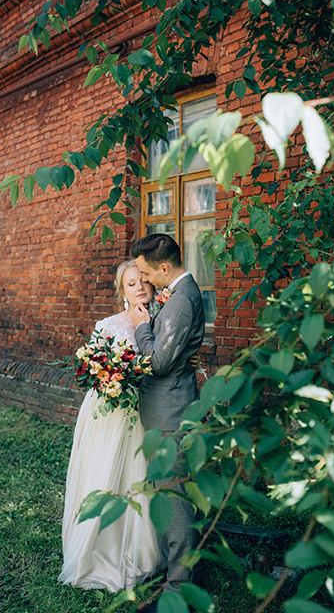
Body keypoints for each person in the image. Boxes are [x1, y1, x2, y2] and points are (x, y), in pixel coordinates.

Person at [60, 260, 166, 590]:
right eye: (131, 283)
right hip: (110, 410)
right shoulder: (107, 324)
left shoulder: (160, 322)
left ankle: (142, 551)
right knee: (106, 472)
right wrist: (108, 377)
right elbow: (94, 365)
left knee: (139, 474)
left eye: (144, 281)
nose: (140, 288)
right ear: (122, 290)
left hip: (143, 409)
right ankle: (99, 549)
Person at [126, 234, 207, 598]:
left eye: (146, 273)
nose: (143, 281)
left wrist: (142, 326)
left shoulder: (181, 301)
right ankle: (174, 575)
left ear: (163, 267)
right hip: (168, 406)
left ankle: (178, 589)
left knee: (174, 501)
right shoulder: (177, 295)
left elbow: (158, 362)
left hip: (171, 411)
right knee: (171, 494)